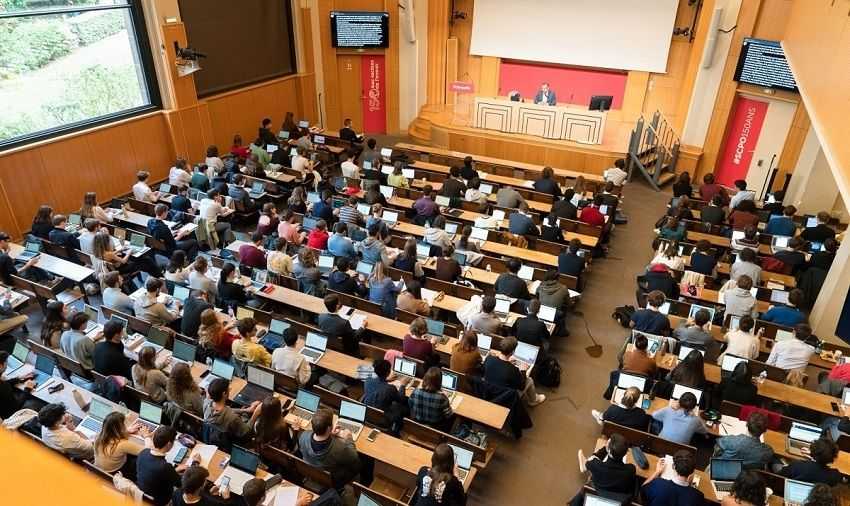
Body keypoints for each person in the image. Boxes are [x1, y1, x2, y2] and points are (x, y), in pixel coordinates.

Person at [299, 407, 362, 496]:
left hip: (313, 471)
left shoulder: (303, 436)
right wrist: (349, 439)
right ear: (329, 428)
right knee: (358, 464)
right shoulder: (339, 448)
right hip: (333, 477)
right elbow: (354, 457)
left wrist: (330, 434)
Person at [137, 425, 196, 505]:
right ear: (169, 444)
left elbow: (157, 473)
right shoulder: (165, 467)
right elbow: (181, 483)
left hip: (143, 494)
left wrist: (174, 470)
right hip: (161, 500)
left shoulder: (144, 452)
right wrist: (195, 463)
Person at [574, 433, 635, 506]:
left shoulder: (596, 465)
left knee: (592, 459)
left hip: (596, 492)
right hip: (617, 500)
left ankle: (585, 466)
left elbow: (595, 458)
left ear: (609, 451)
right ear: (625, 453)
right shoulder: (630, 470)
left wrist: (606, 448)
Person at [484, 336, 546, 406]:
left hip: (489, 392)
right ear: (513, 352)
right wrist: (523, 371)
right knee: (529, 380)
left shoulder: (489, 359)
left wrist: (508, 362)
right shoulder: (513, 370)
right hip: (505, 398)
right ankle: (534, 400)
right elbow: (522, 386)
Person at [93, 231, 163, 280]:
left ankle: (155, 274)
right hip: (122, 269)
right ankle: (159, 276)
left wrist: (119, 250)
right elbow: (123, 261)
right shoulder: (109, 253)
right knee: (147, 261)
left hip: (115, 268)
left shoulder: (98, 251)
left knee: (143, 261)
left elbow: (110, 256)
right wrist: (129, 251)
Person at [94, 411, 145, 478]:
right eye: (124, 424)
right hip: (116, 473)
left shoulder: (98, 436)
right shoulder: (122, 444)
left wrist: (127, 431)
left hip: (99, 470)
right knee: (144, 459)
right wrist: (146, 436)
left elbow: (113, 434)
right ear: (120, 428)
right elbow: (145, 451)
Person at [0, 351, 36, 419]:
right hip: (9, 417)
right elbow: (16, 408)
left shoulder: (3, 385)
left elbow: (5, 384)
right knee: (35, 403)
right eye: (6, 362)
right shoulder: (4, 387)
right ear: (1, 366)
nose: (7, 365)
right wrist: (27, 389)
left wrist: (18, 378)